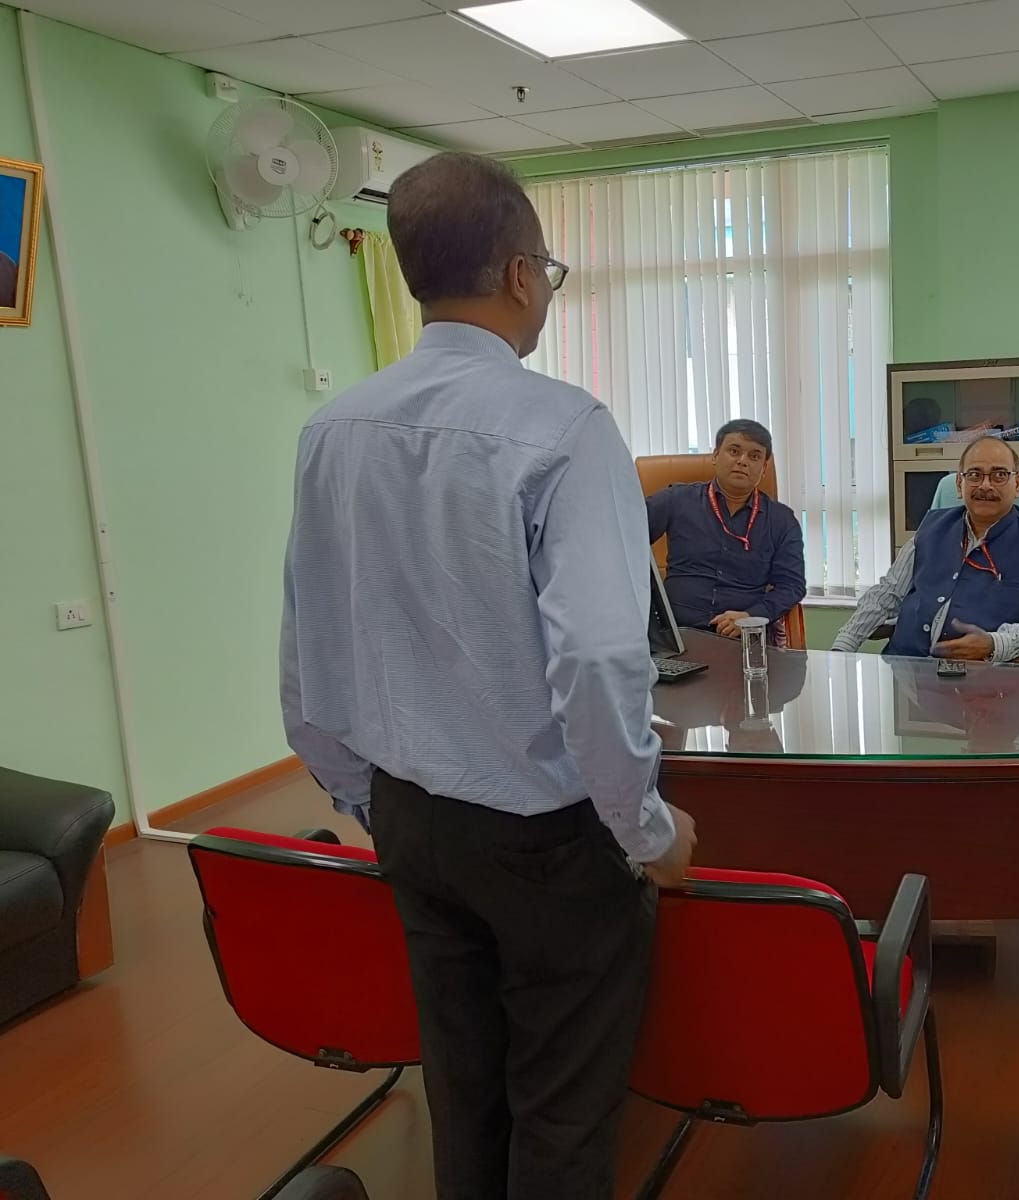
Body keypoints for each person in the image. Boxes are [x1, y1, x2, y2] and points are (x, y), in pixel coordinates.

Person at [279, 152, 697, 1200]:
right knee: (562, 1106)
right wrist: (647, 831)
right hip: (545, 839)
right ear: (520, 274)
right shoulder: (565, 427)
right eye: (547, 271)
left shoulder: (332, 429)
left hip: (411, 819)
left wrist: (366, 799)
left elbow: (307, 643)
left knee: (463, 1089)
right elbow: (597, 657)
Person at [833, 435, 1019, 660]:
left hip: (982, 679)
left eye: (999, 475)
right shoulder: (929, 530)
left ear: (1018, 484)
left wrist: (995, 643)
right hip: (903, 669)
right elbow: (887, 594)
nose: (985, 485)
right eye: (974, 475)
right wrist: (842, 647)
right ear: (959, 484)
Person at [645, 418, 806, 638]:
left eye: (754, 456)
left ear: (764, 468)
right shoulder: (676, 500)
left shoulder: (782, 520)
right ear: (715, 455)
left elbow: (792, 585)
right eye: (734, 451)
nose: (742, 461)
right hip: (674, 633)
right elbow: (624, 540)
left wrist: (751, 616)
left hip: (743, 636)